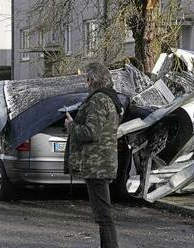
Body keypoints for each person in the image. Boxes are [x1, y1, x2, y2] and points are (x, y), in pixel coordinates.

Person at [64, 62, 123, 248]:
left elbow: (91, 133)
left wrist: (71, 126)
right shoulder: (110, 98)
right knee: (102, 215)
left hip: (97, 164)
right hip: (102, 162)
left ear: (92, 80)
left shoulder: (99, 100)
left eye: (86, 79)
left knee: (103, 216)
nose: (86, 83)